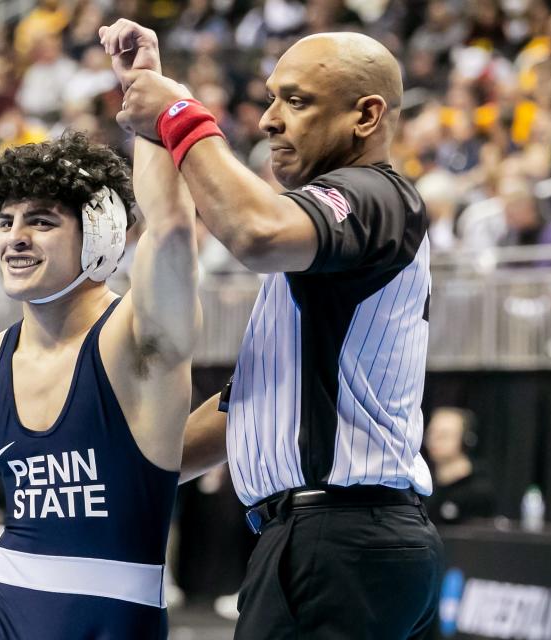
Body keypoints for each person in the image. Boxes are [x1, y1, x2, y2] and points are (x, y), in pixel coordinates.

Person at [101, 19, 443, 639]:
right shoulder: (327, 253)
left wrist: (179, 111)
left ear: (366, 116)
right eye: (271, 98)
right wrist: (121, 469)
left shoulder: (373, 195)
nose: (268, 120)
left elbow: (255, 231)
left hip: (335, 545)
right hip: (350, 545)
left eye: (297, 100)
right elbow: (247, 410)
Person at [0, 131, 199, 639]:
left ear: (101, 233)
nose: (15, 237)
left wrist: (152, 115)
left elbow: (173, 232)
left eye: (42, 221)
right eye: (6, 222)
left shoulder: (137, 344)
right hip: (1, 624)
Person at [422, 407, 495, 526]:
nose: (434, 440)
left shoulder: (478, 491)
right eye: (431, 433)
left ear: (467, 440)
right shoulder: (422, 484)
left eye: (444, 435)